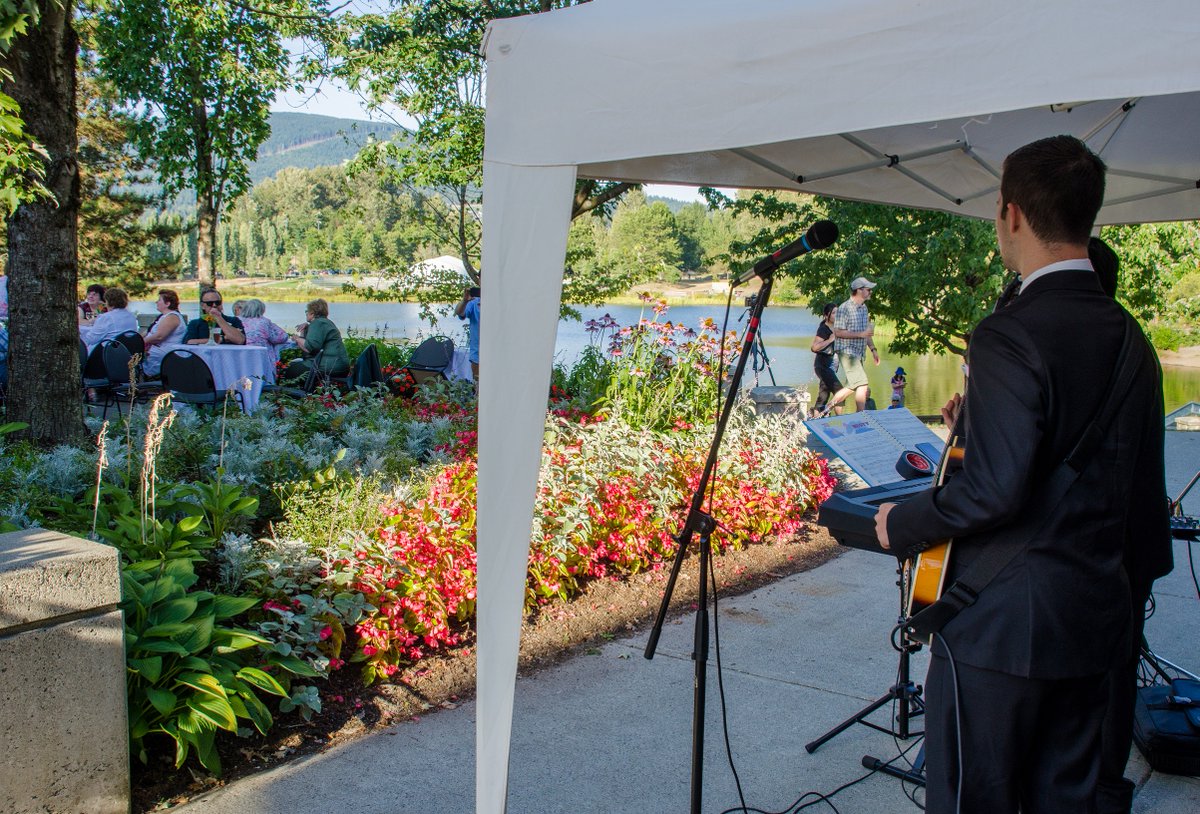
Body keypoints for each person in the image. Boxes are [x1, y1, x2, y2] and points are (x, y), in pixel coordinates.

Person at [873, 135, 1169, 814]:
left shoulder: (1007, 333)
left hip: (1003, 633)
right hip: (1099, 622)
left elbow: (996, 489)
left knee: (976, 800)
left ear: (1011, 215)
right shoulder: (1133, 339)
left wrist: (905, 523)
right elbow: (1122, 484)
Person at [832, 277, 879, 411]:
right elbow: (838, 332)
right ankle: (861, 416)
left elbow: (867, 332)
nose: (871, 292)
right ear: (859, 290)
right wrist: (860, 334)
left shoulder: (864, 308)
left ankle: (825, 409)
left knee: (853, 385)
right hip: (846, 352)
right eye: (868, 289)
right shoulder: (844, 308)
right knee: (863, 383)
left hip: (859, 354)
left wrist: (873, 349)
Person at [287, 298, 349, 380]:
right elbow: (308, 348)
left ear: (312, 313)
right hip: (339, 365)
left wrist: (297, 338)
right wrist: (304, 330)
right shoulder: (324, 322)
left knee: (291, 370)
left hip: (331, 366)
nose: (306, 313)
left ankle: (303, 392)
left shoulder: (318, 323)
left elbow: (310, 348)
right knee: (296, 367)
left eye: (307, 311)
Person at [810, 302, 854, 418]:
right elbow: (814, 347)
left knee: (823, 394)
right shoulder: (823, 329)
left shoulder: (837, 327)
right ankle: (840, 420)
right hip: (823, 365)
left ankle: (816, 416)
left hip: (831, 366)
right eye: (834, 313)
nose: (837, 315)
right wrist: (830, 340)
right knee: (839, 392)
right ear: (826, 315)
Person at [142, 289, 187, 377]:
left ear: (167, 303)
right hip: (154, 352)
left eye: (159, 300)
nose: (156, 302)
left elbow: (159, 336)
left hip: (165, 356)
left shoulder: (172, 317)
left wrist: (140, 343)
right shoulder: (163, 317)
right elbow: (148, 332)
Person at [79, 287, 139, 353]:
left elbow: (91, 339)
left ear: (109, 302)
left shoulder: (107, 317)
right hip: (127, 352)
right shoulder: (131, 316)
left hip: (108, 354)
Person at [454, 285, 480, 380]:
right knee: (478, 385)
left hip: (498, 352)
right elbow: (459, 312)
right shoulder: (473, 301)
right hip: (478, 354)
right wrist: (465, 301)